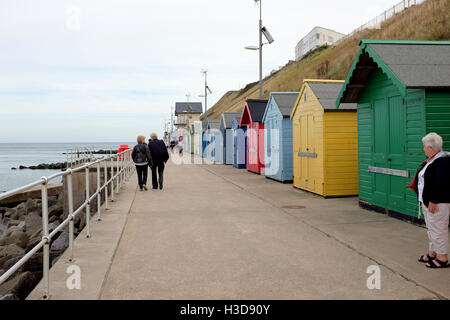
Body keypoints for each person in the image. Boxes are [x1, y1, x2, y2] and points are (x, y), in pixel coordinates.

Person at [407, 132, 450, 269]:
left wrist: (433, 200)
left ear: (431, 147)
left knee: (438, 229)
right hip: (427, 201)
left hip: (437, 202)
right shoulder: (431, 160)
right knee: (431, 228)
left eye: (424, 147)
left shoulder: (442, 161)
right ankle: (433, 252)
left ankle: (442, 257)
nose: (423, 149)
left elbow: (442, 182)